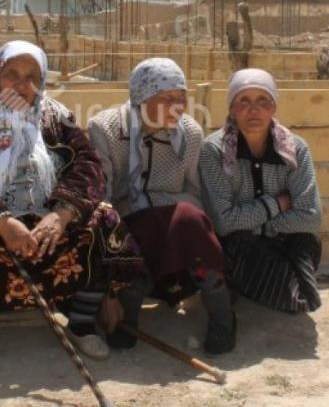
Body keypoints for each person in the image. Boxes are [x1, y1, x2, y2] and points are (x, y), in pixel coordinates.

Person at [0, 40, 141, 365]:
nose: (22, 84)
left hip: (49, 219)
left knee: (104, 221)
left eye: (32, 76)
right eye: (12, 74)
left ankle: (81, 322)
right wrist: (1, 221)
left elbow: (88, 165)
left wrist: (61, 215)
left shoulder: (57, 116)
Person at [88, 58, 236, 355]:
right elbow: (102, 198)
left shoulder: (190, 133)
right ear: (142, 97)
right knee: (126, 229)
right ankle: (126, 307)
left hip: (178, 227)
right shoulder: (106, 129)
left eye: (181, 97)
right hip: (128, 225)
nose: (177, 106)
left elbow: (194, 192)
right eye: (166, 98)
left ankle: (222, 315)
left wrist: (164, 215)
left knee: (189, 218)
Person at [199, 68, 323, 313]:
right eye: (243, 101)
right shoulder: (214, 150)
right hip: (241, 244)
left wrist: (255, 221)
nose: (253, 110)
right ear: (232, 108)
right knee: (238, 244)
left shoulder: (296, 149)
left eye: (263, 101)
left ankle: (256, 285)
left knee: (306, 241)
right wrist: (278, 204)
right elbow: (223, 223)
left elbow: (311, 217)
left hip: (284, 238)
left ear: (273, 106)